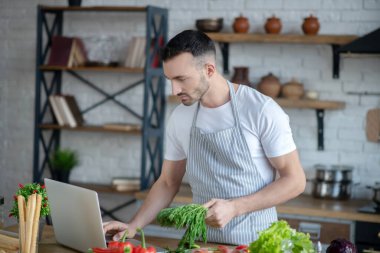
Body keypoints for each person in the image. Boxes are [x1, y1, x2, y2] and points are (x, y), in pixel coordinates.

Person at [103, 30, 306, 245]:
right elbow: (167, 182)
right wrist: (134, 226)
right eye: (170, 80)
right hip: (200, 244)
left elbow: (295, 181)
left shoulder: (260, 110)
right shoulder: (181, 116)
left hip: (257, 243)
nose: (174, 90)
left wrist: (235, 208)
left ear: (209, 70)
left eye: (181, 79)